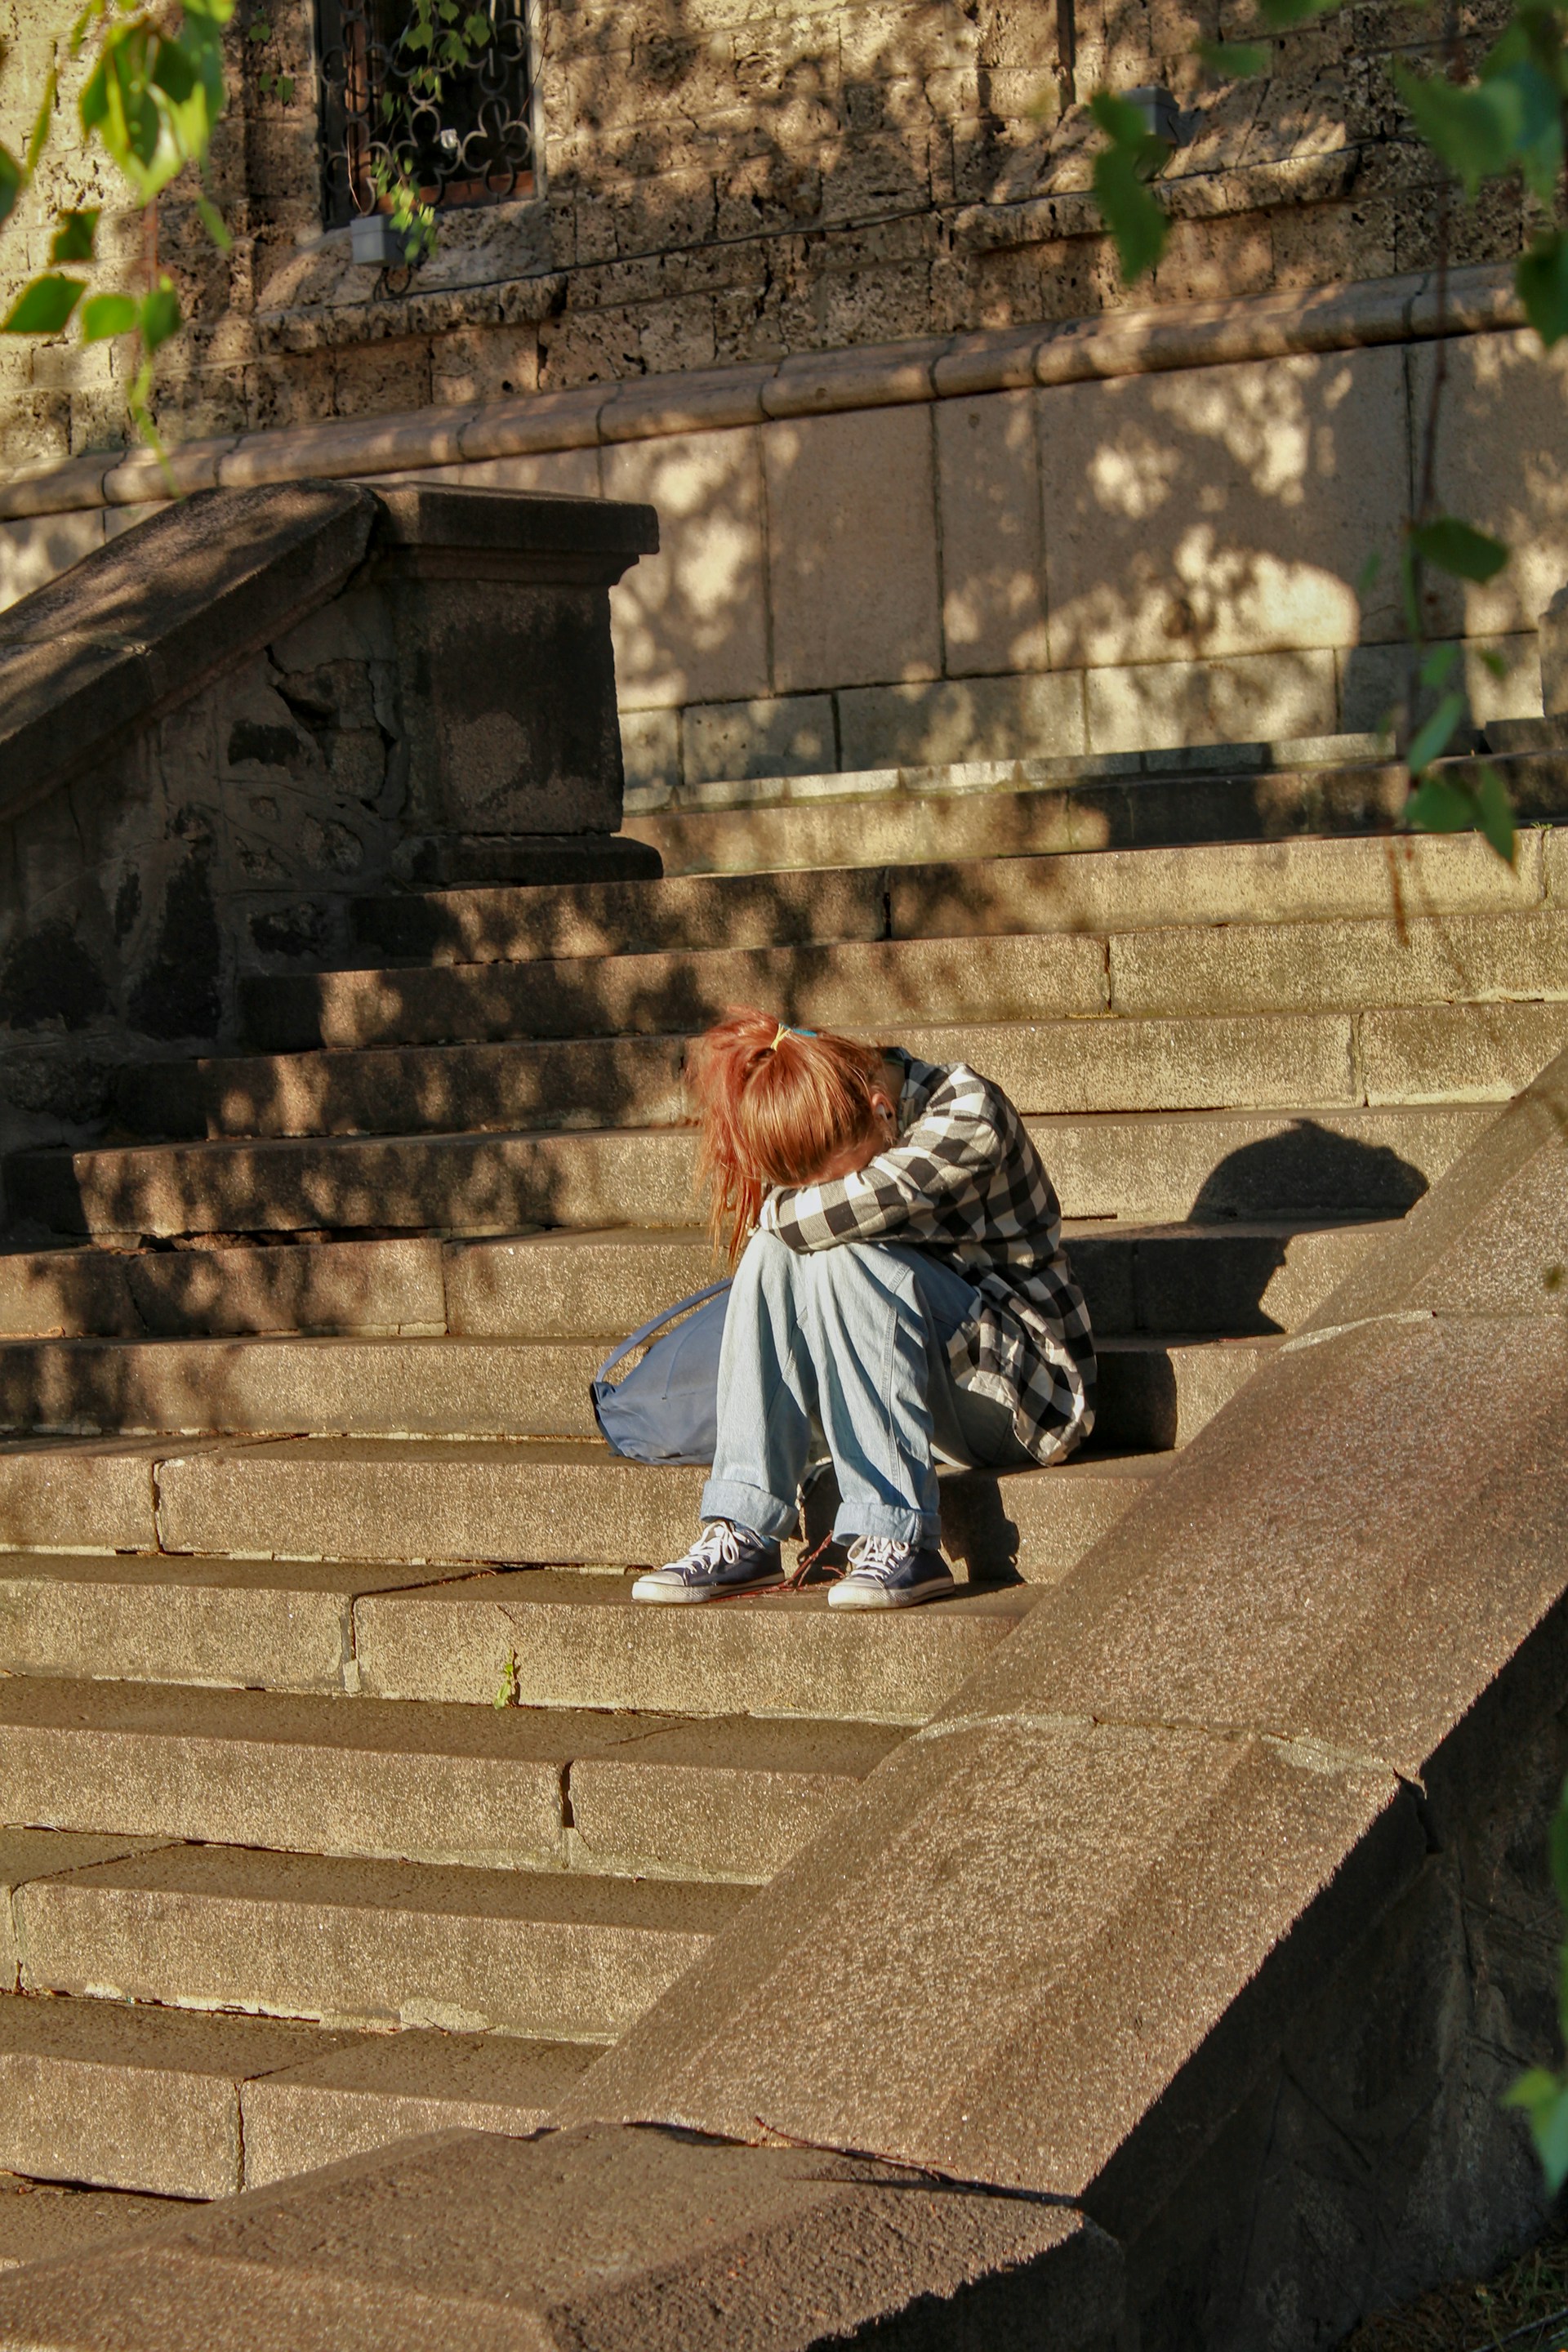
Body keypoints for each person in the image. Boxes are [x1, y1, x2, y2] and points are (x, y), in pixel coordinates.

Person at [630, 1009, 1095, 1610]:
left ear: (882, 1107)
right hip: (925, 1387)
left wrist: (782, 1210)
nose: (825, 1192)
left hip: (1024, 1394)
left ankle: (898, 1537)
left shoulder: (966, 1112)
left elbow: (807, 1218)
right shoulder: (854, 1115)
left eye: (840, 1176)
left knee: (832, 1248)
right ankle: (745, 1523)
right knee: (784, 1253)